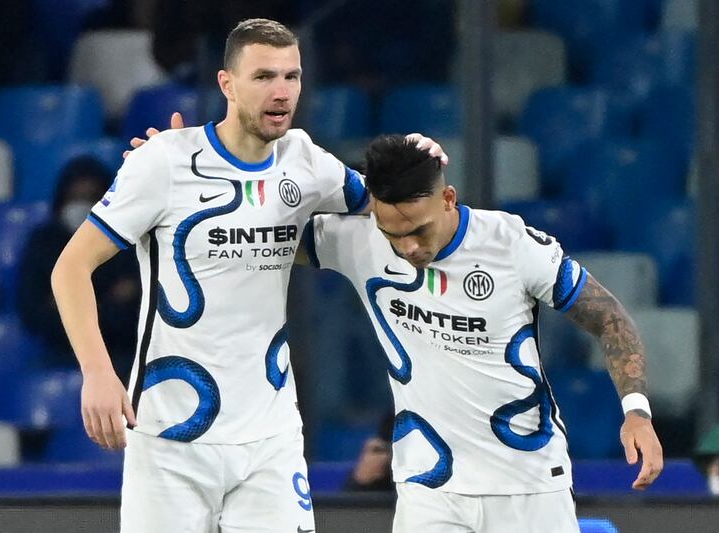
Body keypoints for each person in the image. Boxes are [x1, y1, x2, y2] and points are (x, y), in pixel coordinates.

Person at [52, 18, 446, 533]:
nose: (281, 92)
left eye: (292, 77)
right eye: (263, 77)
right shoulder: (165, 162)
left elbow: (390, 206)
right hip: (171, 439)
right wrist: (98, 374)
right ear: (226, 84)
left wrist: (422, 169)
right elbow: (70, 268)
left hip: (270, 437)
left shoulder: (305, 160)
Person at [303, 135, 664, 532]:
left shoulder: (510, 244)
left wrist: (637, 413)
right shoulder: (362, 242)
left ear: (448, 199)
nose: (407, 248)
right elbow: (265, 227)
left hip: (529, 485)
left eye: (419, 231)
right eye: (393, 234)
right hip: (428, 487)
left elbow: (610, 318)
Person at [17, 155, 139, 380]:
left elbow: (133, 311)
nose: (81, 205)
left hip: (120, 356)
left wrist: (67, 302)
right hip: (57, 354)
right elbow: (33, 312)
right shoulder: (43, 243)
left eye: (91, 198)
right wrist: (106, 301)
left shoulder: (129, 241)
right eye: (75, 198)